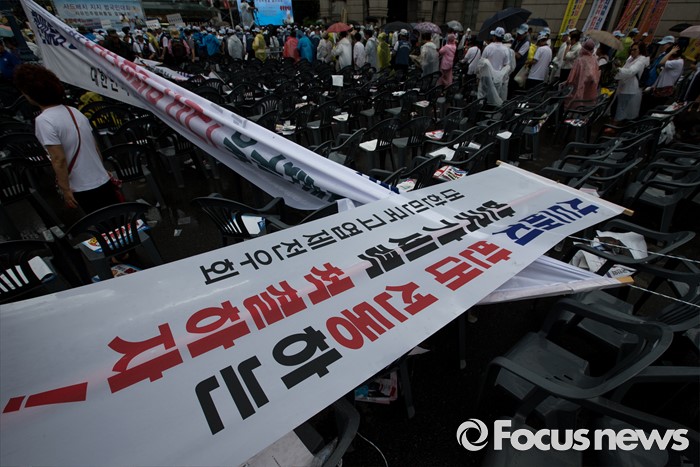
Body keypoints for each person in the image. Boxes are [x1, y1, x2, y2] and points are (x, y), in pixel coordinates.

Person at [13, 64, 120, 214]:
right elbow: (94, 147)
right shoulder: (74, 111)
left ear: (30, 94)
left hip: (81, 187)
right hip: (103, 179)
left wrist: (65, 189)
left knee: (99, 223)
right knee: (118, 220)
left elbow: (58, 159)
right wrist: (100, 169)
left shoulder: (44, 121)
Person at [610, 43, 648, 126]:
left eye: (635, 50)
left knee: (621, 107)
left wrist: (617, 70)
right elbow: (625, 69)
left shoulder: (641, 61)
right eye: (631, 49)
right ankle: (615, 123)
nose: (632, 51)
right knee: (618, 105)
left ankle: (614, 125)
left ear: (640, 50)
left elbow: (631, 71)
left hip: (630, 88)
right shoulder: (631, 59)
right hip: (624, 85)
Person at [564, 39, 600, 110]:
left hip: (578, 87)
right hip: (590, 88)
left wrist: (567, 84)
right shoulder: (595, 60)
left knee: (574, 105)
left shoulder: (580, 60)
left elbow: (571, 78)